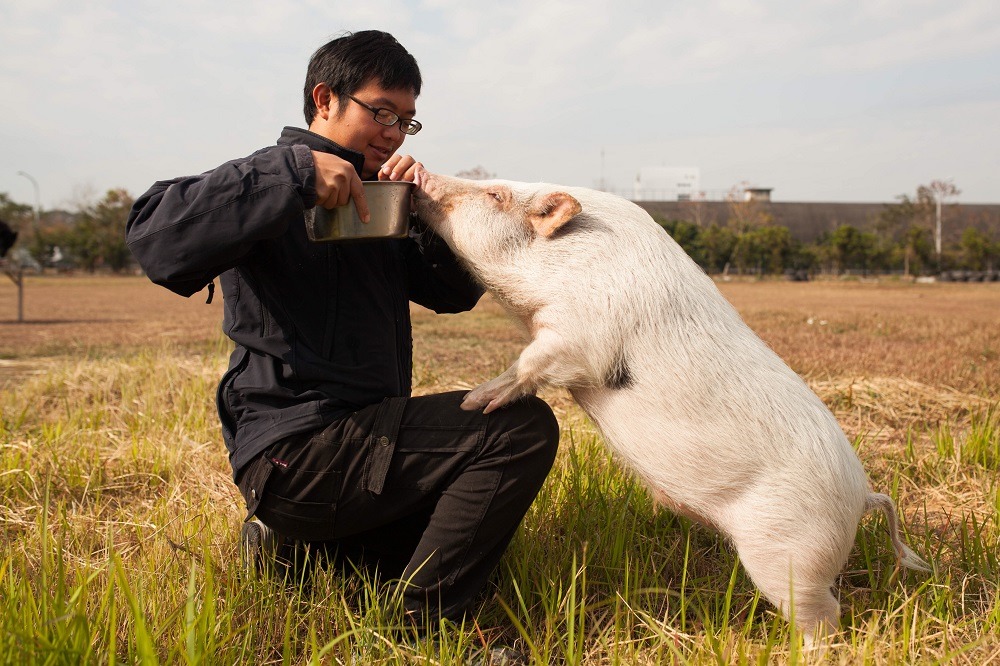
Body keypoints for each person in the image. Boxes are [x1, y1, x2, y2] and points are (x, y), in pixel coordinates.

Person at [125, 29, 559, 641]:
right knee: (519, 428)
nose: (391, 131)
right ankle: (430, 623)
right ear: (324, 99)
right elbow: (156, 241)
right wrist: (294, 172)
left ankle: (294, 550)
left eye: (406, 121)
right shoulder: (266, 181)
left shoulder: (377, 197)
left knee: (455, 534)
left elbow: (452, 295)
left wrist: (429, 212)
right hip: (298, 449)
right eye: (381, 111)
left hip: (361, 439)